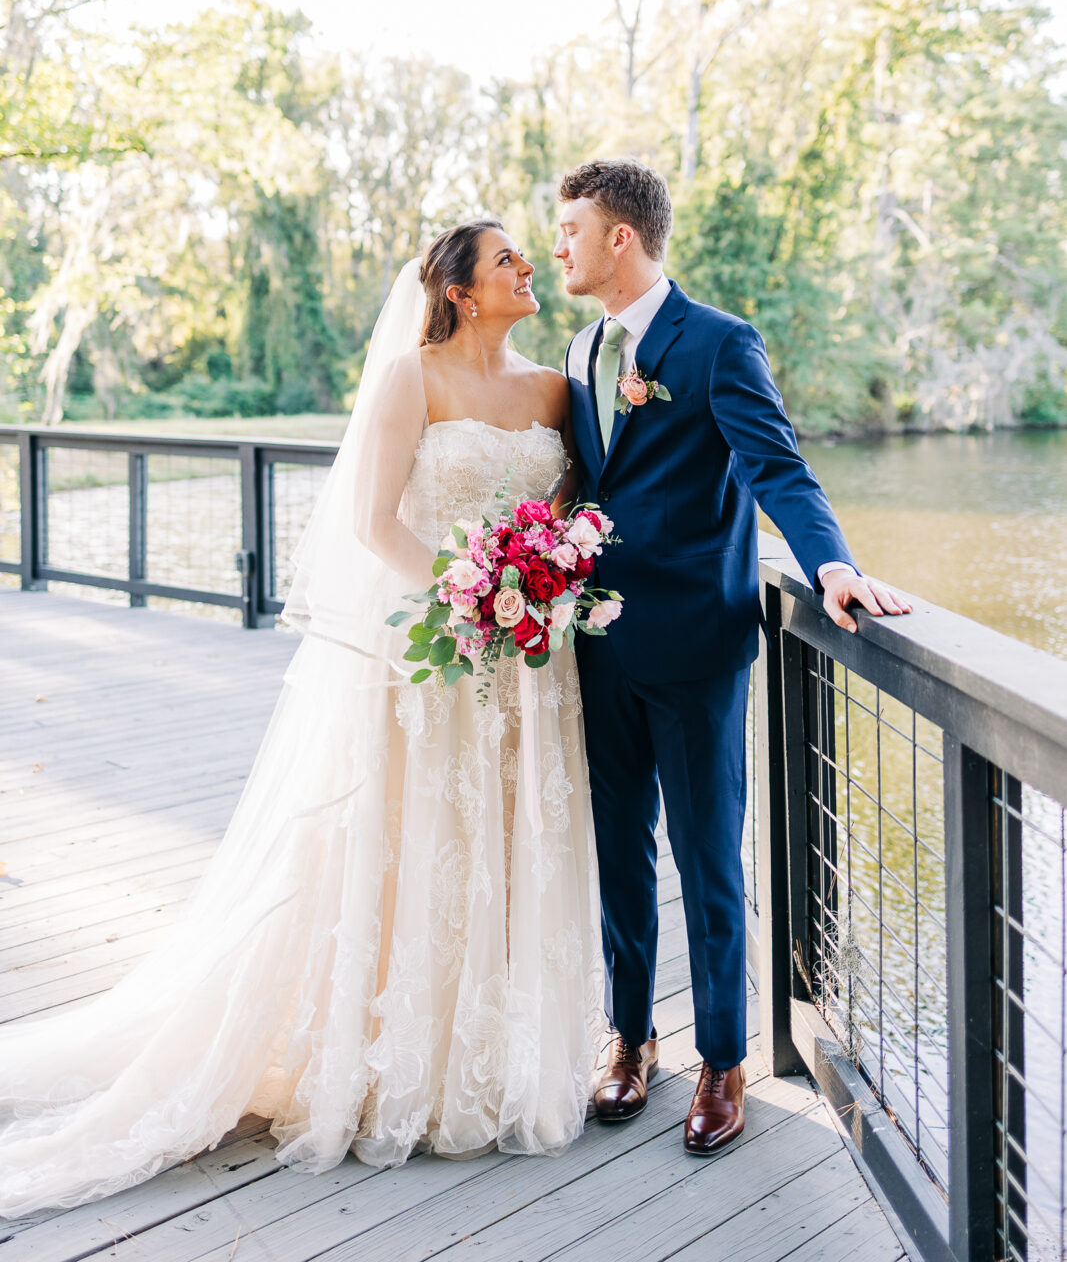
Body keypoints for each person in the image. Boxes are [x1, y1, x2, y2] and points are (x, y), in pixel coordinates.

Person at [0, 221, 605, 1218]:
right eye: (506, 260)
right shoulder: (409, 378)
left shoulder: (552, 391)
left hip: (535, 668)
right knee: (417, 854)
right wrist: (473, 594)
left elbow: (577, 516)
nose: (527, 267)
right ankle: (391, 1063)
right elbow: (372, 522)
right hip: (439, 652)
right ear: (456, 289)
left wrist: (546, 587)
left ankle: (496, 1059)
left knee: (508, 851)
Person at [555, 160, 910, 1155]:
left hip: (699, 645)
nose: (559, 247)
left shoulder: (715, 343)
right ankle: (629, 1036)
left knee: (709, 860)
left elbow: (775, 467)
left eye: (571, 228)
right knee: (618, 853)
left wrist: (830, 563)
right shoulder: (581, 346)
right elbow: (588, 484)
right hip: (597, 644)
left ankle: (723, 1058)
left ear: (619, 237)